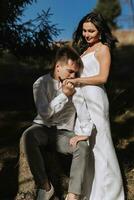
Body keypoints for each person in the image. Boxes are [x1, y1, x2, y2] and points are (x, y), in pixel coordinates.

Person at [64, 12, 125, 200]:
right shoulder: (84, 52)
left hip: (97, 97)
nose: (87, 34)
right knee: (89, 147)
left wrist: (79, 80)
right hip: (83, 98)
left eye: (91, 31)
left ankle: (111, 193)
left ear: (100, 31)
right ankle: (92, 193)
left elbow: (102, 78)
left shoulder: (103, 49)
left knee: (102, 144)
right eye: (84, 30)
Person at [21, 46, 92, 200]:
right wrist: (63, 95)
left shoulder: (75, 85)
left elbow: (83, 111)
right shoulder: (40, 83)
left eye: (76, 73)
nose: (73, 76)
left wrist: (85, 134)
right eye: (70, 71)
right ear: (58, 67)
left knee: (82, 147)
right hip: (42, 129)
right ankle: (45, 186)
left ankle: (73, 195)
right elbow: (44, 114)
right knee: (27, 136)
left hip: (64, 133)